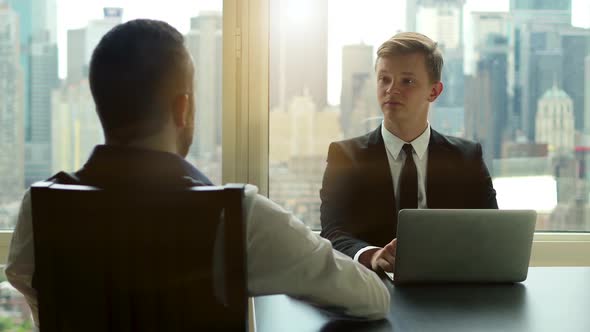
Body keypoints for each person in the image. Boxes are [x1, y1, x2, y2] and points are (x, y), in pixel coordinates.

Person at [5, 19, 390, 328]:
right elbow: (370, 298)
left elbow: (32, 288)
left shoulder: (39, 209)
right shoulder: (236, 215)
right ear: (183, 108)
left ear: (100, 105)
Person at [320, 32, 498, 274]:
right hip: (372, 290)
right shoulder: (346, 156)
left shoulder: (467, 159)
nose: (391, 90)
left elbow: (491, 230)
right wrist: (372, 255)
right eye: (384, 79)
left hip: (450, 290)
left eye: (407, 81)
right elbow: (333, 232)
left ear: (434, 92)